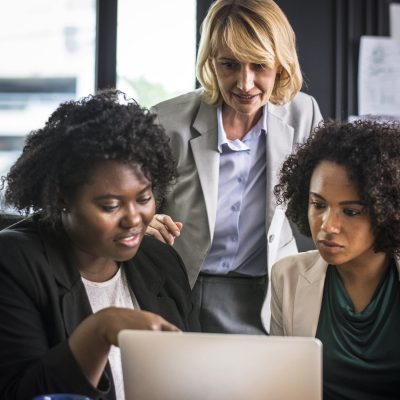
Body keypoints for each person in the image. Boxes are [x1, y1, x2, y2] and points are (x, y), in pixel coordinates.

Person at [0, 90, 197, 400]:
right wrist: (101, 329)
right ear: (63, 197)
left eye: (143, 199)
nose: (134, 218)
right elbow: (21, 394)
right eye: (110, 205)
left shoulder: (161, 262)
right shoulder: (14, 262)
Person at [147, 0, 323, 334]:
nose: (244, 83)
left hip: (267, 289)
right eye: (229, 65)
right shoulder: (166, 121)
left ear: (281, 66)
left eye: (259, 65)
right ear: (211, 63)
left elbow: (326, 198)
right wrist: (146, 221)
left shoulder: (303, 115)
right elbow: (135, 205)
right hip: (179, 285)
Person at [271, 120, 400, 399]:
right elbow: (282, 387)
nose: (328, 226)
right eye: (318, 205)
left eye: (351, 211)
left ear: (387, 210)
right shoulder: (287, 276)